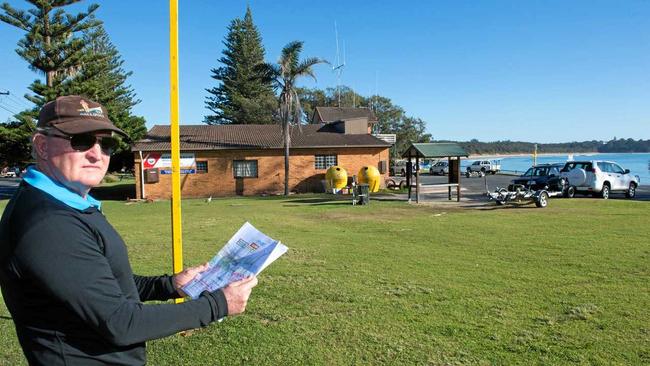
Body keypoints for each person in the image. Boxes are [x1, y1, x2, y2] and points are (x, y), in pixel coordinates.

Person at [0, 95, 258, 365]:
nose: (96, 154)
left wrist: (169, 285)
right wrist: (219, 304)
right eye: (81, 140)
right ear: (42, 146)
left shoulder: (67, 205)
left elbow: (101, 282)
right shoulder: (49, 224)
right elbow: (122, 323)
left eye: (107, 143)